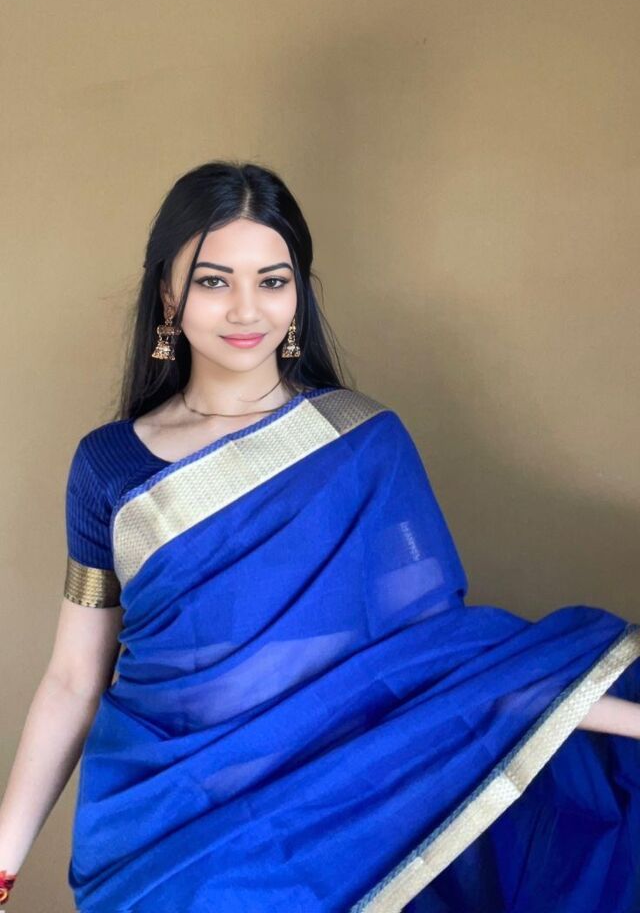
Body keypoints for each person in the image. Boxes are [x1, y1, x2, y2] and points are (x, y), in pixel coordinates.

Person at [0, 160, 638, 913]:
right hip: (160, 823)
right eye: (213, 281)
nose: (246, 309)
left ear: (298, 290)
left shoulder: (360, 442)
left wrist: (615, 714)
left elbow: (430, 655)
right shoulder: (108, 465)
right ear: (168, 293)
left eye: (272, 281)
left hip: (330, 815)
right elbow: (74, 679)